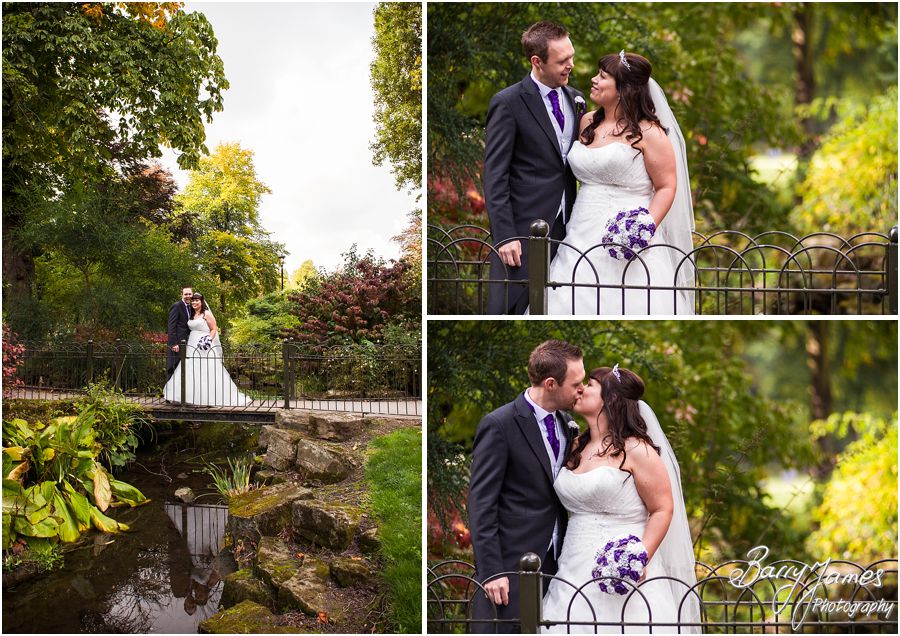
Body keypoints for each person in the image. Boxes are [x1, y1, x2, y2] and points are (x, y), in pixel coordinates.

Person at [541, 366, 700, 633]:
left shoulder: (637, 450)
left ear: (611, 399)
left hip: (623, 569)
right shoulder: (576, 446)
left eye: (589, 385)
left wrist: (639, 558)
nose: (581, 389)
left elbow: (662, 508)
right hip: (570, 568)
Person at [545, 52, 695, 315]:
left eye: (602, 77)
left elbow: (667, 186)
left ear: (623, 90)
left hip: (626, 233)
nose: (593, 80)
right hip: (579, 230)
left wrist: (643, 226)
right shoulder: (587, 122)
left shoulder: (649, 133)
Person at [468, 340, 586, 632]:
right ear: (550, 384)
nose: (581, 390)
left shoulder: (567, 423)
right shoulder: (500, 425)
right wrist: (492, 571)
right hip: (511, 567)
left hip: (557, 565)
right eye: (576, 384)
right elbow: (481, 503)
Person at [484, 21, 587, 315]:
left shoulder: (576, 98)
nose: (571, 65)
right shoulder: (508, 102)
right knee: (513, 309)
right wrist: (505, 235)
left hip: (570, 229)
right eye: (562, 61)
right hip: (523, 233)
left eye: (572, 56)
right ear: (537, 62)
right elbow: (495, 175)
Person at [163, 293, 250, 406]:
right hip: (191, 344)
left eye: (197, 301)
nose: (194, 302)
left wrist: (208, 340)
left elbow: (214, 328)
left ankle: (208, 397)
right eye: (193, 301)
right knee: (189, 368)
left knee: (206, 369)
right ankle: (186, 396)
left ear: (202, 302)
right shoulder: (192, 314)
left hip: (204, 344)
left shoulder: (206, 314)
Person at [167, 287, 194, 380]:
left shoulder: (192, 307)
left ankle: (182, 393)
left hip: (188, 343)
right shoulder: (177, 306)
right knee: (173, 367)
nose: (188, 296)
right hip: (177, 344)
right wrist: (174, 343)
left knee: (184, 369)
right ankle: (169, 392)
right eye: (186, 294)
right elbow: (171, 326)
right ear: (182, 295)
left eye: (190, 294)